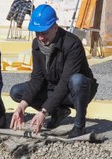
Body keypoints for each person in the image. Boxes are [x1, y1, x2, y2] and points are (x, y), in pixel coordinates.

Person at [9, 4, 98, 138]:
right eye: (37, 33)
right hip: (53, 88)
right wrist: (21, 106)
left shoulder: (72, 44)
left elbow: (65, 81)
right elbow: (37, 79)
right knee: (17, 92)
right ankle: (58, 112)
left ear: (55, 27)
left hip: (76, 91)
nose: (40, 37)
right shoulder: (37, 44)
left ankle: (79, 125)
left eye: (44, 32)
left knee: (77, 80)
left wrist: (43, 112)